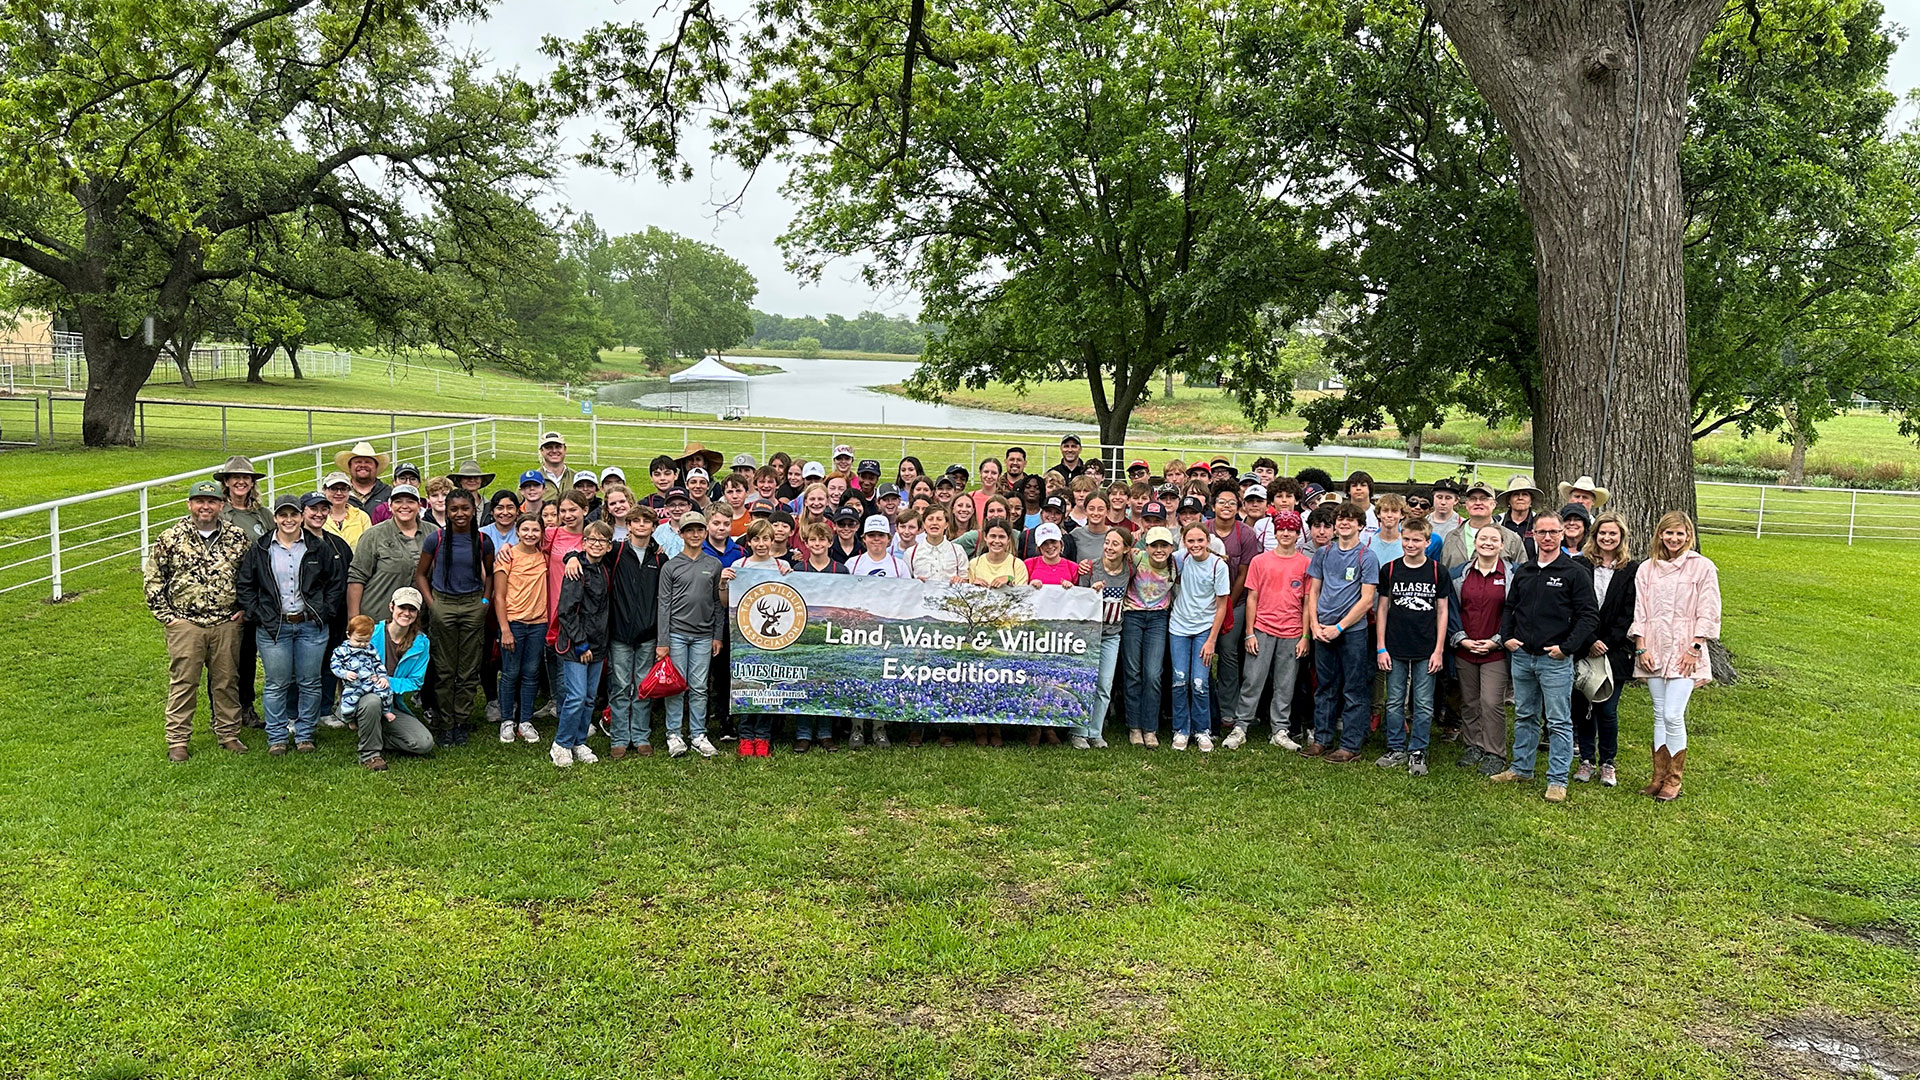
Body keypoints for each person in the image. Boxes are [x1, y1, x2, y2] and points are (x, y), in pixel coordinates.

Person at [1490, 511, 1597, 804]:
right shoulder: (1524, 571)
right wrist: (1507, 636)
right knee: (1525, 714)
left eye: (1553, 532)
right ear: (1533, 535)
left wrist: (1567, 647)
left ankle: (1557, 779)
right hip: (1523, 655)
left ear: (1563, 534)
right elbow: (1510, 607)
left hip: (1555, 659)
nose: (1547, 538)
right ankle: (1522, 768)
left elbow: (1589, 615)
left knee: (1559, 721)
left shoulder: (1574, 572)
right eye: (1542, 532)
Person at [145, 479, 253, 762]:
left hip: (226, 622)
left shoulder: (237, 538)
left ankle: (228, 733)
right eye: (199, 501)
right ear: (190, 504)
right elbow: (154, 578)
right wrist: (168, 618)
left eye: (212, 501)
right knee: (184, 682)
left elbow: (249, 577)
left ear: (222, 504)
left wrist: (243, 608)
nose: (205, 507)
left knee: (227, 680)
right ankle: (178, 739)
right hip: (185, 623)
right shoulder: (171, 538)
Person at [238, 492, 348, 755]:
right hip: (274, 627)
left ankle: (305, 734)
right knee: (277, 682)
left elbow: (335, 582)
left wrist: (325, 611)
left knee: (310, 681)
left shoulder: (317, 547)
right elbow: (246, 584)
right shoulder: (261, 548)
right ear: (275, 518)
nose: (289, 520)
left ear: (301, 516)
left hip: (311, 625)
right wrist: (259, 614)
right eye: (283, 515)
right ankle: (276, 736)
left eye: (294, 514)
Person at [1632, 510, 1721, 803]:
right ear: (1660, 534)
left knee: (1673, 713)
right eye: (1668, 533)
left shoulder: (1702, 567)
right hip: (1654, 645)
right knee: (1659, 713)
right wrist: (1641, 646)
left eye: (1680, 533)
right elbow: (1641, 610)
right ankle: (1657, 777)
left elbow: (1708, 609)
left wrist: (1695, 646)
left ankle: (1674, 778)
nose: (1673, 538)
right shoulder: (1647, 568)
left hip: (1685, 648)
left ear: (1689, 536)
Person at [415, 489, 494, 746]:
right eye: (454, 509)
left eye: (465, 508)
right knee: (444, 668)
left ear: (474, 511)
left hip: (472, 604)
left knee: (469, 668)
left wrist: (484, 601)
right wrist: (432, 604)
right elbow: (421, 575)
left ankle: (462, 720)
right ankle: (445, 723)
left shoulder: (482, 541)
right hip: (443, 604)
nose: (460, 514)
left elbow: (491, 574)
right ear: (447, 512)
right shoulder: (436, 539)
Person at [1373, 516, 1451, 775]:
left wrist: (1439, 650)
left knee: (1424, 702)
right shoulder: (1391, 569)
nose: (1410, 544)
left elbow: (1442, 611)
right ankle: (1396, 747)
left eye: (1417, 540)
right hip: (1395, 645)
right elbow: (1382, 608)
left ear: (1428, 542)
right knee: (1394, 700)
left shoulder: (1438, 571)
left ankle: (1418, 750)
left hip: (1426, 647)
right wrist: (1381, 646)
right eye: (1406, 539)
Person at [1304, 502, 1381, 763]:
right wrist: (1314, 625)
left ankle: (1350, 746)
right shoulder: (1323, 553)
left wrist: (1340, 627)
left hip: (1352, 632)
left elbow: (1367, 600)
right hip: (1323, 630)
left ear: (1361, 525)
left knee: (1354, 688)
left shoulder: (1366, 557)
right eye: (1340, 519)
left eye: (1351, 519)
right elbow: (1313, 591)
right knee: (1325, 686)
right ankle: (1322, 740)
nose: (1344, 523)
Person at [1233, 510, 1310, 751]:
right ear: (1275, 532)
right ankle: (1241, 726)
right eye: (1282, 529)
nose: (1286, 533)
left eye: (1291, 530)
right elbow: (1252, 598)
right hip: (1262, 628)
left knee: (1285, 683)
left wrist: (1305, 636)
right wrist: (1249, 632)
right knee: (1252, 679)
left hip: (1292, 631)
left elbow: (1308, 602)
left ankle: (1280, 729)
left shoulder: (1305, 564)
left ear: (1298, 534)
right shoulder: (1260, 561)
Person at [1574, 512, 1638, 787]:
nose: (1607, 538)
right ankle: (1586, 760)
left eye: (1613, 533)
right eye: (1602, 533)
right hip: (1583, 647)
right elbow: (1573, 607)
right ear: (1594, 535)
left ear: (1621, 537)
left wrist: (1607, 642)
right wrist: (1588, 641)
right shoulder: (1579, 565)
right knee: (1584, 706)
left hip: (1615, 650)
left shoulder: (1632, 570)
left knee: (1607, 709)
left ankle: (1608, 763)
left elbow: (1630, 612)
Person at [657, 512, 727, 759]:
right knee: (677, 685)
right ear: (682, 533)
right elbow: (664, 604)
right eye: (689, 530)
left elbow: (718, 603)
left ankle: (698, 734)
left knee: (699, 686)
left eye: (699, 530)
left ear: (705, 532)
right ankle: (673, 734)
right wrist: (662, 641)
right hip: (676, 634)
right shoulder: (671, 566)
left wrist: (717, 635)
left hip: (703, 635)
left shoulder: (713, 565)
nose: (695, 535)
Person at [723, 520, 793, 757]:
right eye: (756, 539)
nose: (761, 544)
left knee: (768, 684)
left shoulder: (781, 566)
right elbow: (726, 600)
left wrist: (791, 576)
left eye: (766, 539)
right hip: (744, 634)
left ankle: (763, 735)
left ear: (773, 541)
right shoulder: (738, 564)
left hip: (775, 639)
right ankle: (745, 735)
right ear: (749, 542)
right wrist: (724, 582)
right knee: (745, 683)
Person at [213, 456, 271, 728]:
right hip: (226, 598)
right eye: (234, 477)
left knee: (248, 657)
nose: (240, 481)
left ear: (252, 482)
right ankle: (221, 714)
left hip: (257, 597)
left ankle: (246, 707)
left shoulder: (263, 514)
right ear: (225, 482)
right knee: (224, 661)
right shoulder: (218, 513)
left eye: (245, 477)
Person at [350, 590, 437, 770]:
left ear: (417, 613)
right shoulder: (370, 633)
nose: (406, 613)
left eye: (412, 609)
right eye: (402, 607)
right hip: (365, 697)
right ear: (391, 607)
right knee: (372, 701)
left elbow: (415, 682)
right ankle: (370, 754)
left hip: (392, 704)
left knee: (424, 744)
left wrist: (388, 682)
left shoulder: (422, 643)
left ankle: (376, 734)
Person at [551, 521, 613, 767]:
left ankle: (579, 741)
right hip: (577, 645)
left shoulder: (604, 568)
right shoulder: (576, 570)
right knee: (575, 696)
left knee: (589, 697)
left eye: (602, 541)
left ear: (608, 546)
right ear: (584, 543)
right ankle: (561, 744)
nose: (596, 545)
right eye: (592, 540)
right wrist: (580, 643)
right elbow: (566, 611)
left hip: (599, 643)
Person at [1169, 522, 1231, 753]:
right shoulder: (1179, 560)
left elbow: (1222, 606)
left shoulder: (1218, 566)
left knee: (1200, 682)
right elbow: (1153, 557)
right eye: (1190, 541)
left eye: (1199, 540)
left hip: (1205, 628)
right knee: (1179, 679)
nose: (1195, 545)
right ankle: (1181, 730)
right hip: (1179, 627)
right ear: (1184, 542)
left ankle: (1202, 730)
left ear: (1207, 541)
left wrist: (1211, 640)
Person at [1073, 529, 1132, 751]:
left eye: (1115, 544)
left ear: (1125, 549)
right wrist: (1091, 590)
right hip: (1089, 634)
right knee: (1084, 681)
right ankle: (1078, 731)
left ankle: (1095, 732)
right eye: (1107, 542)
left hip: (1112, 634)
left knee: (1104, 684)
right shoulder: (1091, 567)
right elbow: (1078, 599)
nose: (1108, 547)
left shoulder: (1129, 569)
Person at [493, 511, 548, 746]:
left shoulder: (543, 557)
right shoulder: (507, 557)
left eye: (535, 530)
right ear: (517, 531)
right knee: (510, 672)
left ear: (542, 533)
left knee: (531, 672)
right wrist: (505, 628)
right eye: (525, 529)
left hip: (538, 623)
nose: (530, 534)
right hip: (514, 622)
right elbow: (499, 596)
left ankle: (525, 720)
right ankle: (507, 720)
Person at [348, 483, 437, 621]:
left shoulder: (434, 533)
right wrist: (354, 619)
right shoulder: (373, 535)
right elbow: (356, 577)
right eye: (398, 501)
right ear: (390, 506)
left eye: (411, 501)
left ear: (419, 506)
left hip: (420, 618)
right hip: (379, 617)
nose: (404, 505)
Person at [1439, 480, 1526, 569]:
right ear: (1466, 504)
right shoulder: (1451, 537)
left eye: (1484, 498)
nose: (1478, 503)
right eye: (1473, 499)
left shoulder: (1512, 539)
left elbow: (1522, 575)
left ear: (1493, 504)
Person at [330, 615, 395, 733]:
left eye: (366, 640)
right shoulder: (341, 651)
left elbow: (378, 663)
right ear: (348, 635)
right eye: (358, 640)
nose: (362, 644)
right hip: (353, 686)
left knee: (386, 692)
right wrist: (345, 674)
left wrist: (382, 677)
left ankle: (386, 711)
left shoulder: (370, 649)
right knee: (347, 707)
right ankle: (350, 720)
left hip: (371, 681)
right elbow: (334, 666)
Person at [333, 441, 392, 517]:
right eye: (358, 462)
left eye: (368, 462)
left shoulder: (388, 493)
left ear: (376, 467)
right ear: (350, 467)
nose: (363, 465)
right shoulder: (337, 494)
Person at [911, 506, 968, 584]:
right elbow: (906, 583)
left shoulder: (958, 551)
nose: (934, 523)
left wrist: (959, 581)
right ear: (924, 524)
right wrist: (916, 583)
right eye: (930, 519)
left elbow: (966, 580)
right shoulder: (911, 553)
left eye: (939, 519)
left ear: (946, 525)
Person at [318, 471, 372, 546]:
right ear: (324, 490)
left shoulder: (362, 517)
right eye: (333, 489)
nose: (339, 493)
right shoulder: (317, 517)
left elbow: (369, 546)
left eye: (343, 489)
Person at [1495, 474, 1543, 557]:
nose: (1520, 498)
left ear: (1531, 500)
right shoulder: (1497, 522)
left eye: (1525, 494)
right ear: (1509, 500)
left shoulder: (1540, 522)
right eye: (1516, 494)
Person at [536, 431, 577, 497]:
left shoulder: (576, 478)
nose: (554, 451)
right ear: (541, 451)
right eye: (549, 447)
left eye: (558, 447)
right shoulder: (531, 480)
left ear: (565, 449)